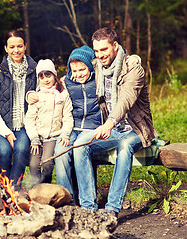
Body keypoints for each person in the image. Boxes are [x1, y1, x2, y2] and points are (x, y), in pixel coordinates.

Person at [74, 28, 158, 216]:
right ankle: (88, 208)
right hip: (112, 128)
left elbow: (125, 100)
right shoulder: (97, 66)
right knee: (80, 144)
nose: (100, 55)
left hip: (136, 129)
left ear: (115, 45)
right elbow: (76, 68)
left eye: (104, 50)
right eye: (96, 51)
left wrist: (109, 123)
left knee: (124, 145)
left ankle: (111, 209)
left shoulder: (133, 68)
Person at [0, 30, 37, 191]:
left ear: (25, 46)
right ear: (6, 48)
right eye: (12, 47)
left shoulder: (34, 70)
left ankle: (14, 189)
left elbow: (48, 86)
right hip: (0, 127)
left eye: (19, 46)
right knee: (4, 151)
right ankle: (3, 189)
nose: (16, 50)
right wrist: (6, 132)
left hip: (24, 126)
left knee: (21, 149)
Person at [53, 45, 103, 200]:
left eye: (82, 69)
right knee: (60, 152)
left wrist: (135, 58)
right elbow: (46, 90)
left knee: (79, 149)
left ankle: (88, 201)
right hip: (71, 129)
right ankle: (67, 199)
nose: (78, 74)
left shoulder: (99, 79)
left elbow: (119, 65)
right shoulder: (66, 83)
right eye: (74, 71)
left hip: (93, 129)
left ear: (90, 66)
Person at [24, 59, 73, 186]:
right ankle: (35, 188)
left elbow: (68, 116)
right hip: (37, 137)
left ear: (54, 76)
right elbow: (29, 119)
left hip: (53, 136)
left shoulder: (63, 95)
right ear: (38, 79)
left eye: (48, 75)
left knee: (47, 162)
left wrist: (65, 133)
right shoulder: (36, 96)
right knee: (34, 164)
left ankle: (46, 187)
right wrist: (34, 138)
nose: (46, 80)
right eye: (42, 77)